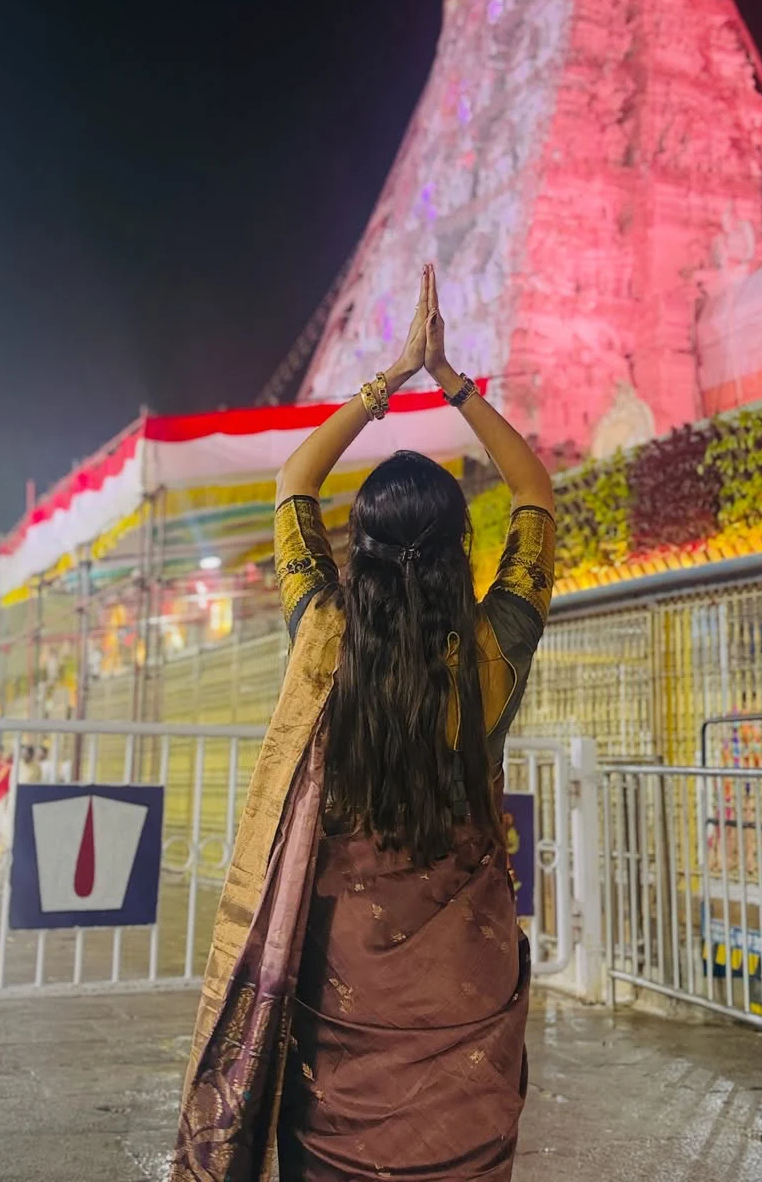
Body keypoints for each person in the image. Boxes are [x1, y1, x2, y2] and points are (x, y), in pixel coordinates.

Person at [173, 265, 556, 1181]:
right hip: (467, 977)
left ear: (363, 551)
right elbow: (538, 494)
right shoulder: (492, 649)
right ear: (465, 547)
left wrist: (386, 380)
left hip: (344, 980)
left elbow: (293, 481)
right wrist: (449, 379)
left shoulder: (325, 641)